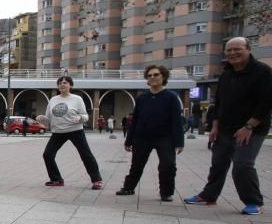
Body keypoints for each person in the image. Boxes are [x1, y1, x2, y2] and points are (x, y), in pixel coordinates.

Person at [185, 37, 272, 214]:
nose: (232, 53)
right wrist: (215, 126)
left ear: (248, 49)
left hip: (251, 129)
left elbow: (267, 102)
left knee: (242, 164)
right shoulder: (226, 73)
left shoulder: (263, 72)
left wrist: (248, 126)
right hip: (225, 127)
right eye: (229, 50)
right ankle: (209, 195)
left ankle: (254, 202)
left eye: (237, 49)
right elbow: (220, 102)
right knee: (218, 163)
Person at [116, 65, 184, 202]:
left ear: (163, 77)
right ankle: (128, 187)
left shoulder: (171, 97)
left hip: (165, 138)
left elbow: (177, 121)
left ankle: (166, 192)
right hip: (142, 137)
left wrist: (179, 142)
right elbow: (134, 121)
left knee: (168, 165)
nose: (152, 77)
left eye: (156, 75)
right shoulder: (142, 98)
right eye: (150, 75)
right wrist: (128, 140)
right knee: (137, 164)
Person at [37, 75, 103, 189]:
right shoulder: (53, 99)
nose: (62, 84)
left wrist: (79, 118)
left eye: (65, 83)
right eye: (60, 83)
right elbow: (48, 118)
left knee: (86, 155)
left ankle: (96, 180)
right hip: (58, 132)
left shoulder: (77, 99)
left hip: (75, 130)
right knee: (47, 155)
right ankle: (56, 179)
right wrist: (43, 117)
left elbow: (86, 116)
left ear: (70, 85)